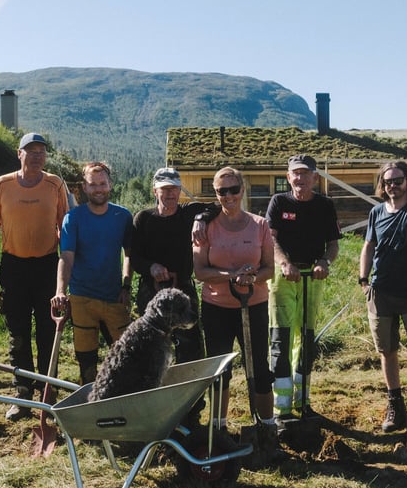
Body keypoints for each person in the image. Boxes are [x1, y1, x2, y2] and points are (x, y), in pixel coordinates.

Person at [0, 132, 70, 421]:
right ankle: (22, 394)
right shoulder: (2, 185)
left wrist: (64, 276)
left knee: (48, 332)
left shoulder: (55, 184)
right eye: (30, 151)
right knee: (18, 334)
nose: (36, 156)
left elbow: (65, 230)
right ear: (19, 154)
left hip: (46, 266)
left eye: (41, 151)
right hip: (13, 267)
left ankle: (50, 393)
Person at [192, 167, 278, 445]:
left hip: (253, 305)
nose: (228, 196)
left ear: (242, 190)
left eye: (233, 189)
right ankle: (219, 429)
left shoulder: (260, 225)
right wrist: (232, 276)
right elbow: (201, 272)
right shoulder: (206, 227)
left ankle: (266, 427)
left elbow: (269, 269)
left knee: (259, 366)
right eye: (221, 191)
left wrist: (252, 277)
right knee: (220, 370)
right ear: (215, 194)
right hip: (216, 307)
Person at [131, 167, 217, 426]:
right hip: (152, 292)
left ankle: (191, 410)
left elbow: (215, 206)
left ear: (180, 190)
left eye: (174, 188)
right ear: (155, 190)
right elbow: (134, 257)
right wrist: (150, 267)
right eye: (165, 189)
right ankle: (151, 403)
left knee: (190, 348)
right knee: (150, 348)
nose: (170, 194)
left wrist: (201, 218)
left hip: (182, 290)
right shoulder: (143, 219)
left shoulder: (188, 213)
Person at [358, 161, 407, 432]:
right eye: (388, 181)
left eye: (398, 180)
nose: (393, 185)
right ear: (382, 184)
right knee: (387, 351)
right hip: (380, 293)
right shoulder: (376, 212)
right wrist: (363, 280)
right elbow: (368, 246)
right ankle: (396, 403)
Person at [266, 154, 341, 427]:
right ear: (289, 177)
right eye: (295, 174)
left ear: (314, 177)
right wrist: (284, 263)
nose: (299, 178)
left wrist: (325, 261)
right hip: (283, 276)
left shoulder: (324, 206)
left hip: (313, 275)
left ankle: (303, 401)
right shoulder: (279, 202)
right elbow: (270, 240)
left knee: (307, 339)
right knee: (280, 338)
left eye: (305, 173)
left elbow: (333, 244)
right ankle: (282, 407)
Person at [52, 161, 133, 385]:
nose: (98, 189)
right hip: (82, 297)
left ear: (110, 185)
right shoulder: (74, 218)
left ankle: (122, 396)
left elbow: (130, 254)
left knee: (126, 355)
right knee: (86, 358)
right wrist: (61, 291)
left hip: (114, 296)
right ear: (84, 188)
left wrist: (127, 285)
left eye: (102, 183)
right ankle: (89, 397)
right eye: (93, 184)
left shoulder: (123, 216)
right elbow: (66, 257)